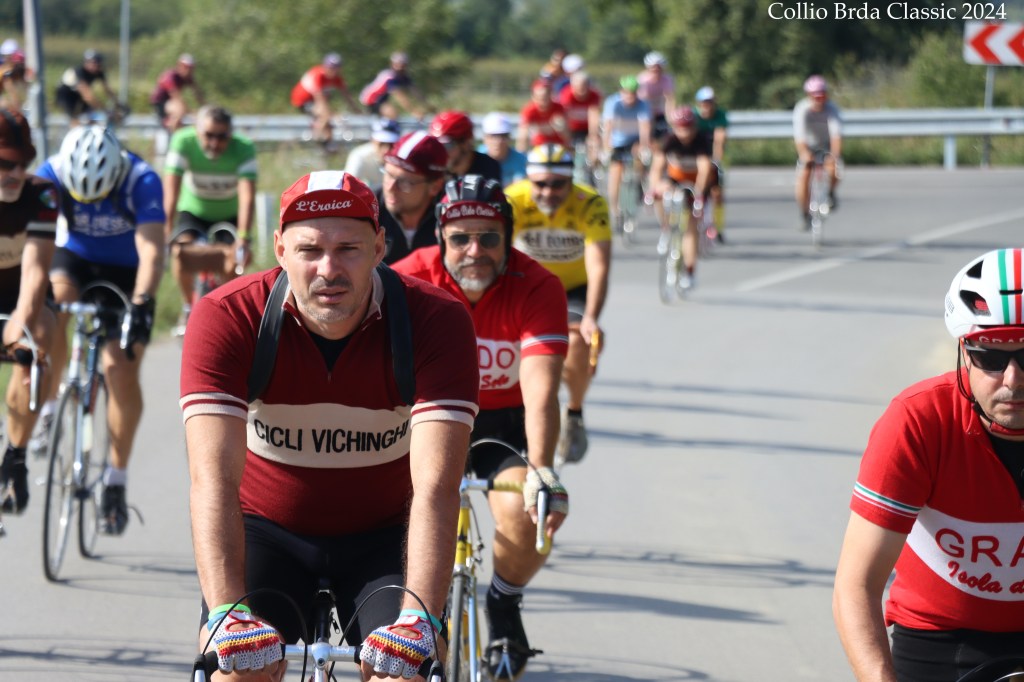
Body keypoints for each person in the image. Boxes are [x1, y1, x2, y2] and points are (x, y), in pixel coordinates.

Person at [179, 170, 480, 682]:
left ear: (380, 246)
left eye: (348, 249)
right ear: (279, 249)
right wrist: (227, 612)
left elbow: (435, 487)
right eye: (309, 250)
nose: (328, 269)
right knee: (237, 669)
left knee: (403, 672)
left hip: (387, 538)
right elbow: (213, 482)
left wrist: (419, 619)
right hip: (266, 532)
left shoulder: (436, 320)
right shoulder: (227, 315)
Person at [392, 174, 570, 680]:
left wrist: (543, 469)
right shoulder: (406, 280)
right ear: (440, 238)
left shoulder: (538, 286)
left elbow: (540, 389)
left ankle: (504, 603)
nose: (475, 251)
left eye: (489, 238)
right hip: (422, 419)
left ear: (508, 238)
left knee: (525, 512)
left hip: (500, 423)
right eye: (460, 239)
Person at [834, 248, 1024, 682]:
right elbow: (857, 586)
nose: (1013, 379)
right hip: (940, 638)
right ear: (964, 352)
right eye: (991, 358)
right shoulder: (918, 421)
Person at [33, 126, 165, 535]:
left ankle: (115, 479)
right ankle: (49, 406)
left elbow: (152, 250)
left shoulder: (142, 180)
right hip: (74, 258)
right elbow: (31, 238)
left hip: (126, 272)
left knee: (119, 368)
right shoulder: (51, 172)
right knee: (53, 309)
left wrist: (141, 302)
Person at [505, 144, 611, 465]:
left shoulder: (589, 202)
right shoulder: (513, 199)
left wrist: (591, 316)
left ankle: (574, 413)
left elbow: (599, 265)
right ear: (529, 181)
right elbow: (499, 254)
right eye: (540, 184)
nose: (548, 192)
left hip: (571, 289)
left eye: (557, 185)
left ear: (571, 182)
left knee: (580, 342)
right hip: (527, 286)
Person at [0, 108, 59, 515]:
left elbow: (36, 274)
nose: (17, 173)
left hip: (25, 300)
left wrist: (17, 329)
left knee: (38, 338)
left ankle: (16, 456)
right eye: (6, 164)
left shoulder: (42, 194)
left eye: (23, 163)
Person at [163, 105, 257, 335]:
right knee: (180, 252)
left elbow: (247, 197)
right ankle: (188, 305)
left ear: (230, 134)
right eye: (209, 135)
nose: (215, 143)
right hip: (193, 212)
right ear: (197, 131)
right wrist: (166, 231)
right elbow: (171, 193)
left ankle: (225, 310)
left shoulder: (244, 147)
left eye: (222, 136)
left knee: (233, 262)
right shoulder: (182, 141)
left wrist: (243, 237)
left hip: (229, 214)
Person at [648, 107, 714, 291]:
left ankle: (690, 271)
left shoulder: (702, 140)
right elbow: (657, 167)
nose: (684, 133)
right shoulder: (669, 140)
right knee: (659, 192)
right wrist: (656, 187)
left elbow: (704, 169)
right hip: (676, 179)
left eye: (688, 128)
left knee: (691, 229)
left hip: (696, 183)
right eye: (680, 128)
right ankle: (666, 225)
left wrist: (699, 194)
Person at [377, 131, 448, 264]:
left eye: (405, 182)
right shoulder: (367, 211)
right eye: (388, 175)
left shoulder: (451, 217)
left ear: (435, 186)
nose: (390, 187)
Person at [601, 76, 651, 233]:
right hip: (617, 142)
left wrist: (644, 147)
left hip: (634, 141)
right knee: (615, 174)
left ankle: (639, 182)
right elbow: (608, 127)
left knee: (639, 159)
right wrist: (606, 149)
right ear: (621, 92)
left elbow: (645, 128)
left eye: (633, 93)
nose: (630, 96)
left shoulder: (643, 105)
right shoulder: (612, 103)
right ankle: (615, 211)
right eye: (626, 93)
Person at [793, 74, 841, 231]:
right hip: (808, 146)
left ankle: (831, 193)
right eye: (816, 97)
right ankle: (804, 213)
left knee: (835, 170)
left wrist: (834, 156)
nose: (819, 100)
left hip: (826, 145)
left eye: (822, 96)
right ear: (809, 96)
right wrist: (804, 154)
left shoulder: (832, 109)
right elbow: (799, 136)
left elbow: (836, 137)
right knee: (803, 176)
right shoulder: (802, 109)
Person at [291, 52, 362, 149]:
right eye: (331, 68)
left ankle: (327, 146)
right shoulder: (317, 75)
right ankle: (316, 138)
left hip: (315, 101)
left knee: (328, 122)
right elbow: (320, 99)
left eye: (337, 68)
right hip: (303, 100)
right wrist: (331, 114)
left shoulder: (336, 78)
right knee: (325, 115)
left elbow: (347, 96)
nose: (334, 71)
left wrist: (357, 110)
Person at [693, 86, 728, 243]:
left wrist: (716, 160)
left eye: (710, 102)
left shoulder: (720, 115)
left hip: (711, 155)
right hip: (696, 158)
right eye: (704, 102)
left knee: (717, 193)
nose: (707, 106)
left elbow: (719, 138)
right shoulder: (694, 116)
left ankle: (718, 227)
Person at [428, 110, 501, 184]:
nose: (440, 152)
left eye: (446, 146)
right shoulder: (432, 172)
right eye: (435, 145)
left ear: (466, 143)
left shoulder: (488, 168)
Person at [54, 49, 122, 123]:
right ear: (87, 63)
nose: (97, 66)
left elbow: (107, 90)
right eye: (94, 63)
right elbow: (88, 96)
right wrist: (105, 110)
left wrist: (118, 104)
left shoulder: (98, 72)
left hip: (78, 94)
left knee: (90, 116)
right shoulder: (79, 71)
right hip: (66, 95)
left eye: (98, 63)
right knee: (75, 118)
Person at [359, 51, 429, 121]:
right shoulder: (389, 76)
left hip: (382, 100)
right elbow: (399, 96)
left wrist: (427, 105)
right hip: (370, 101)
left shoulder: (403, 76)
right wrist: (414, 111)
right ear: (392, 64)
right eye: (398, 64)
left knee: (391, 113)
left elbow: (416, 92)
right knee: (392, 113)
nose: (400, 67)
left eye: (403, 65)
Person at [558, 70, 601, 177]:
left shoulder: (594, 95)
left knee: (594, 143)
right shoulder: (567, 94)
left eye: (584, 86)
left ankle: (592, 169)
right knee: (566, 145)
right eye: (578, 87)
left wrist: (593, 135)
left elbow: (594, 115)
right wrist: (567, 137)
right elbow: (564, 115)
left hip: (586, 128)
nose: (581, 90)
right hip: (571, 128)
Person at [150, 53, 204, 134]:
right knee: (180, 109)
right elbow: (177, 96)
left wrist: (205, 108)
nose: (188, 71)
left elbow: (197, 94)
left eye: (191, 68)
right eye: (186, 67)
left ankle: (175, 129)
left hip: (170, 102)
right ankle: (172, 130)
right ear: (180, 66)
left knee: (181, 111)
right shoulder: (171, 76)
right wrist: (191, 113)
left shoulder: (188, 77)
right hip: (160, 102)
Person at [343, 118, 400, 188]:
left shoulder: (403, 158)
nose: (386, 150)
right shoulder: (360, 156)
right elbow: (348, 186)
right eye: (381, 144)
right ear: (373, 140)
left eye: (391, 145)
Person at [515, 78, 568, 153]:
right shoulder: (529, 110)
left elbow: (568, 137)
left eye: (546, 96)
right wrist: (521, 154)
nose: (543, 100)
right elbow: (522, 135)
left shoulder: (559, 109)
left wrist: (562, 128)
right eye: (540, 97)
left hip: (559, 147)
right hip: (537, 148)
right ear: (534, 96)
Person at [478, 112, 527, 187]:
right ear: (484, 138)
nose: (498, 141)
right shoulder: (475, 160)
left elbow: (519, 188)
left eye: (503, 136)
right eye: (493, 136)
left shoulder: (521, 160)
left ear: (510, 138)